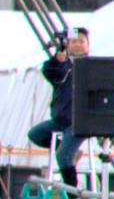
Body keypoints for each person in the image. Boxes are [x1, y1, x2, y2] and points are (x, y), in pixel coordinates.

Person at [27, 27, 89, 189]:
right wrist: (59, 57)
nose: (77, 45)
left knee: (63, 157)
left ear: (88, 45)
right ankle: (67, 148)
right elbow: (51, 72)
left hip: (80, 122)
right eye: (74, 41)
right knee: (35, 134)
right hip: (60, 119)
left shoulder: (92, 67)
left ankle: (72, 195)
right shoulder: (63, 64)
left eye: (81, 41)